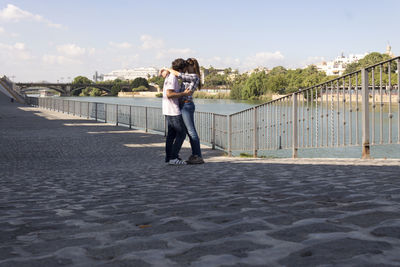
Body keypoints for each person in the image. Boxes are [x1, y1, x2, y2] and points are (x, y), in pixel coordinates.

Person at [165, 58, 204, 164]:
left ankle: (198, 155)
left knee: (191, 132)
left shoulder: (194, 77)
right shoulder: (189, 76)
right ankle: (192, 155)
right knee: (186, 132)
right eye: (186, 64)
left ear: (193, 66)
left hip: (187, 105)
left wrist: (168, 69)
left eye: (188, 64)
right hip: (183, 105)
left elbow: (180, 75)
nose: (186, 66)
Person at [161, 59, 192, 165]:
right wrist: (184, 93)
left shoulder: (169, 76)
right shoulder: (173, 78)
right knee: (182, 133)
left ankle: (169, 158)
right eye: (183, 70)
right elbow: (169, 94)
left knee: (171, 135)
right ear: (180, 69)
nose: (183, 72)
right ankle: (173, 157)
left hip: (167, 109)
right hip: (173, 110)